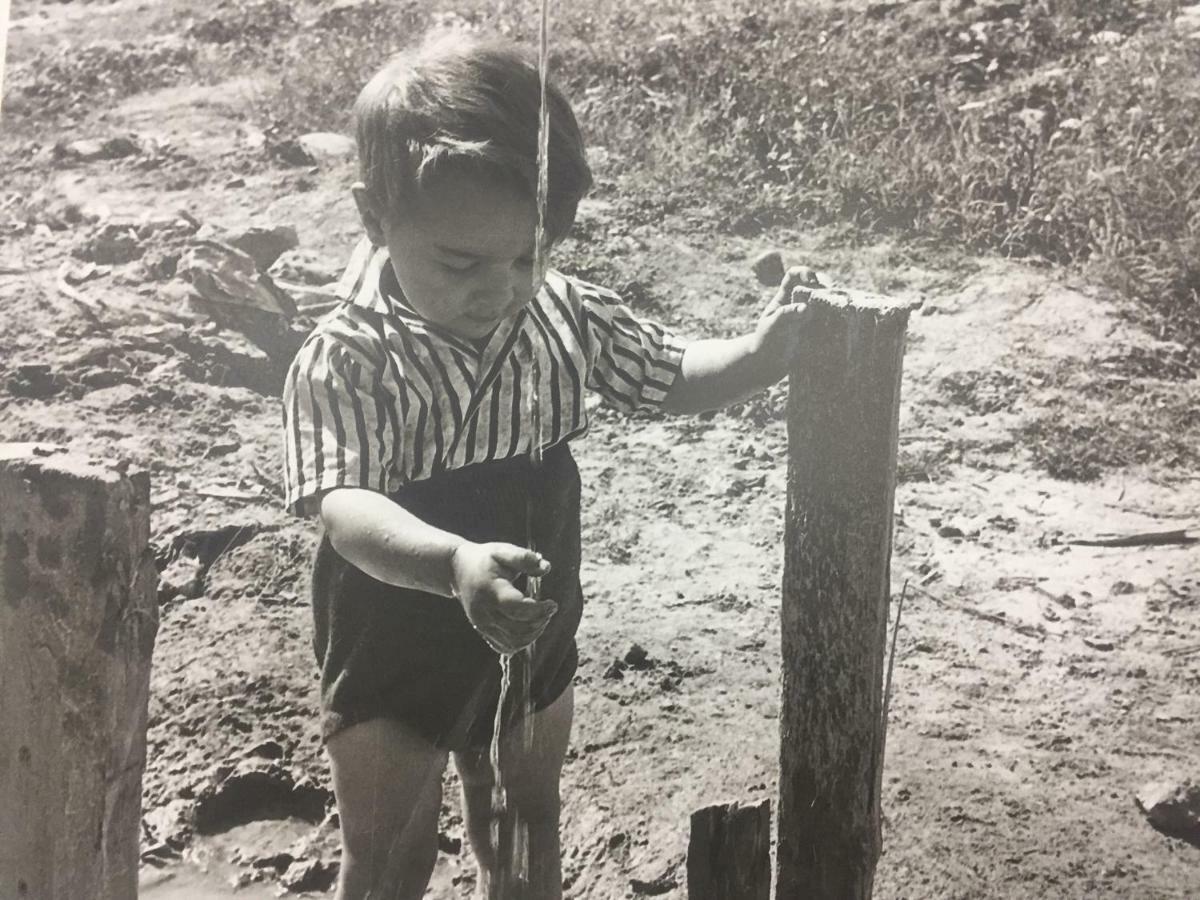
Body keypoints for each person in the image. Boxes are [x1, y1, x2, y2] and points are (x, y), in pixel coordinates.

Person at [281, 29, 818, 900]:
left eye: (529, 255)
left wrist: (755, 359)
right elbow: (342, 506)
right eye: (459, 262)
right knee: (390, 854)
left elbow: (665, 373)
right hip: (393, 623)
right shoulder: (350, 356)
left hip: (532, 613)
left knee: (524, 823)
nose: (499, 288)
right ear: (376, 218)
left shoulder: (562, 313)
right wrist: (453, 561)